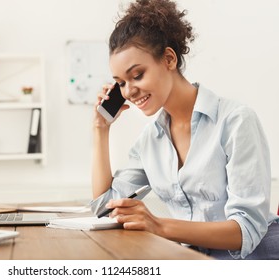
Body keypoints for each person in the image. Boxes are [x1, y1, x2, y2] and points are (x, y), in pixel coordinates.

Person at [90, 0, 279, 259]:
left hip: (256, 259)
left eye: (137, 75)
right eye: (120, 83)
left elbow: (246, 231)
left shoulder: (235, 121)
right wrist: (101, 128)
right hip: (195, 260)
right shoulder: (150, 142)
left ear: (169, 59)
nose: (129, 91)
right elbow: (103, 207)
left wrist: (159, 225)